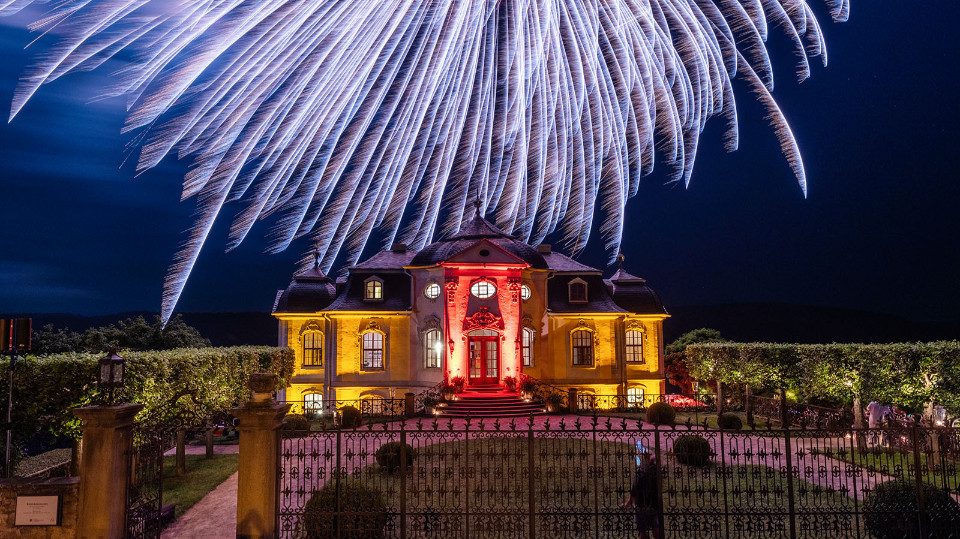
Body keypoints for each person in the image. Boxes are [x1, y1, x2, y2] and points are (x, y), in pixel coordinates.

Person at [621, 447, 661, 539]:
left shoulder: (641, 474)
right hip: (654, 506)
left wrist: (626, 505)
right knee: (656, 531)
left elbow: (634, 493)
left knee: (643, 533)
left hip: (641, 507)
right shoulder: (657, 474)